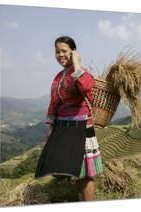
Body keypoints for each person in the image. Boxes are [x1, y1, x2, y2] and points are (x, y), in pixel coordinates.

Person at [34, 36, 103, 201]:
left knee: (84, 173)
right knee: (70, 168)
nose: (60, 55)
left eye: (64, 51)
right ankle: (81, 199)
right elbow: (54, 102)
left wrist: (77, 64)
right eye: (57, 52)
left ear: (73, 52)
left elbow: (86, 86)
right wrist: (51, 126)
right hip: (63, 126)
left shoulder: (81, 71)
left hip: (80, 125)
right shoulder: (59, 76)